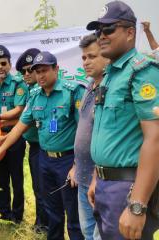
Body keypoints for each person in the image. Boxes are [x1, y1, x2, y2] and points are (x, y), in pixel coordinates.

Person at [0, 51, 84, 239]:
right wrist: (1, 148)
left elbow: (85, 131)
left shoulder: (72, 91)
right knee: (52, 212)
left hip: (67, 161)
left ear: (56, 69)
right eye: (37, 71)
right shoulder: (34, 95)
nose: (40, 75)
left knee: (73, 215)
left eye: (44, 70)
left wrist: (78, 165)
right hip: (44, 159)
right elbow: (19, 127)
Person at [86, 1, 159, 239]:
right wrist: (98, 176)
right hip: (106, 186)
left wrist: (137, 205)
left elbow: (155, 138)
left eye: (109, 29)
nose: (101, 36)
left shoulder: (142, 71)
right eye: (98, 31)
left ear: (130, 32)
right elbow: (106, 132)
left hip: (128, 187)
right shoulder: (110, 75)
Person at [68, 34, 108, 240]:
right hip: (82, 176)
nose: (86, 62)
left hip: (102, 180)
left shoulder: (110, 89)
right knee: (87, 232)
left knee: (100, 234)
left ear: (107, 56)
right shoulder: (89, 87)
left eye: (91, 56)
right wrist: (75, 165)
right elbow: (83, 129)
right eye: (83, 58)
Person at [0, 45, 27, 224]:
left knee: (16, 178)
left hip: (14, 137)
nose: (0, 67)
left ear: (9, 65)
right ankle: (4, 215)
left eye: (3, 63)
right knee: (0, 179)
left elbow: (19, 110)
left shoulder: (18, 84)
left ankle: (17, 216)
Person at [15, 47, 48, 232]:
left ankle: (44, 224)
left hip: (45, 147)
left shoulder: (40, 91)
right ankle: (40, 221)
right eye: (23, 71)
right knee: (38, 187)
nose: (26, 74)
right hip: (34, 146)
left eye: (30, 70)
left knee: (43, 188)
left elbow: (24, 122)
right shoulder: (31, 91)